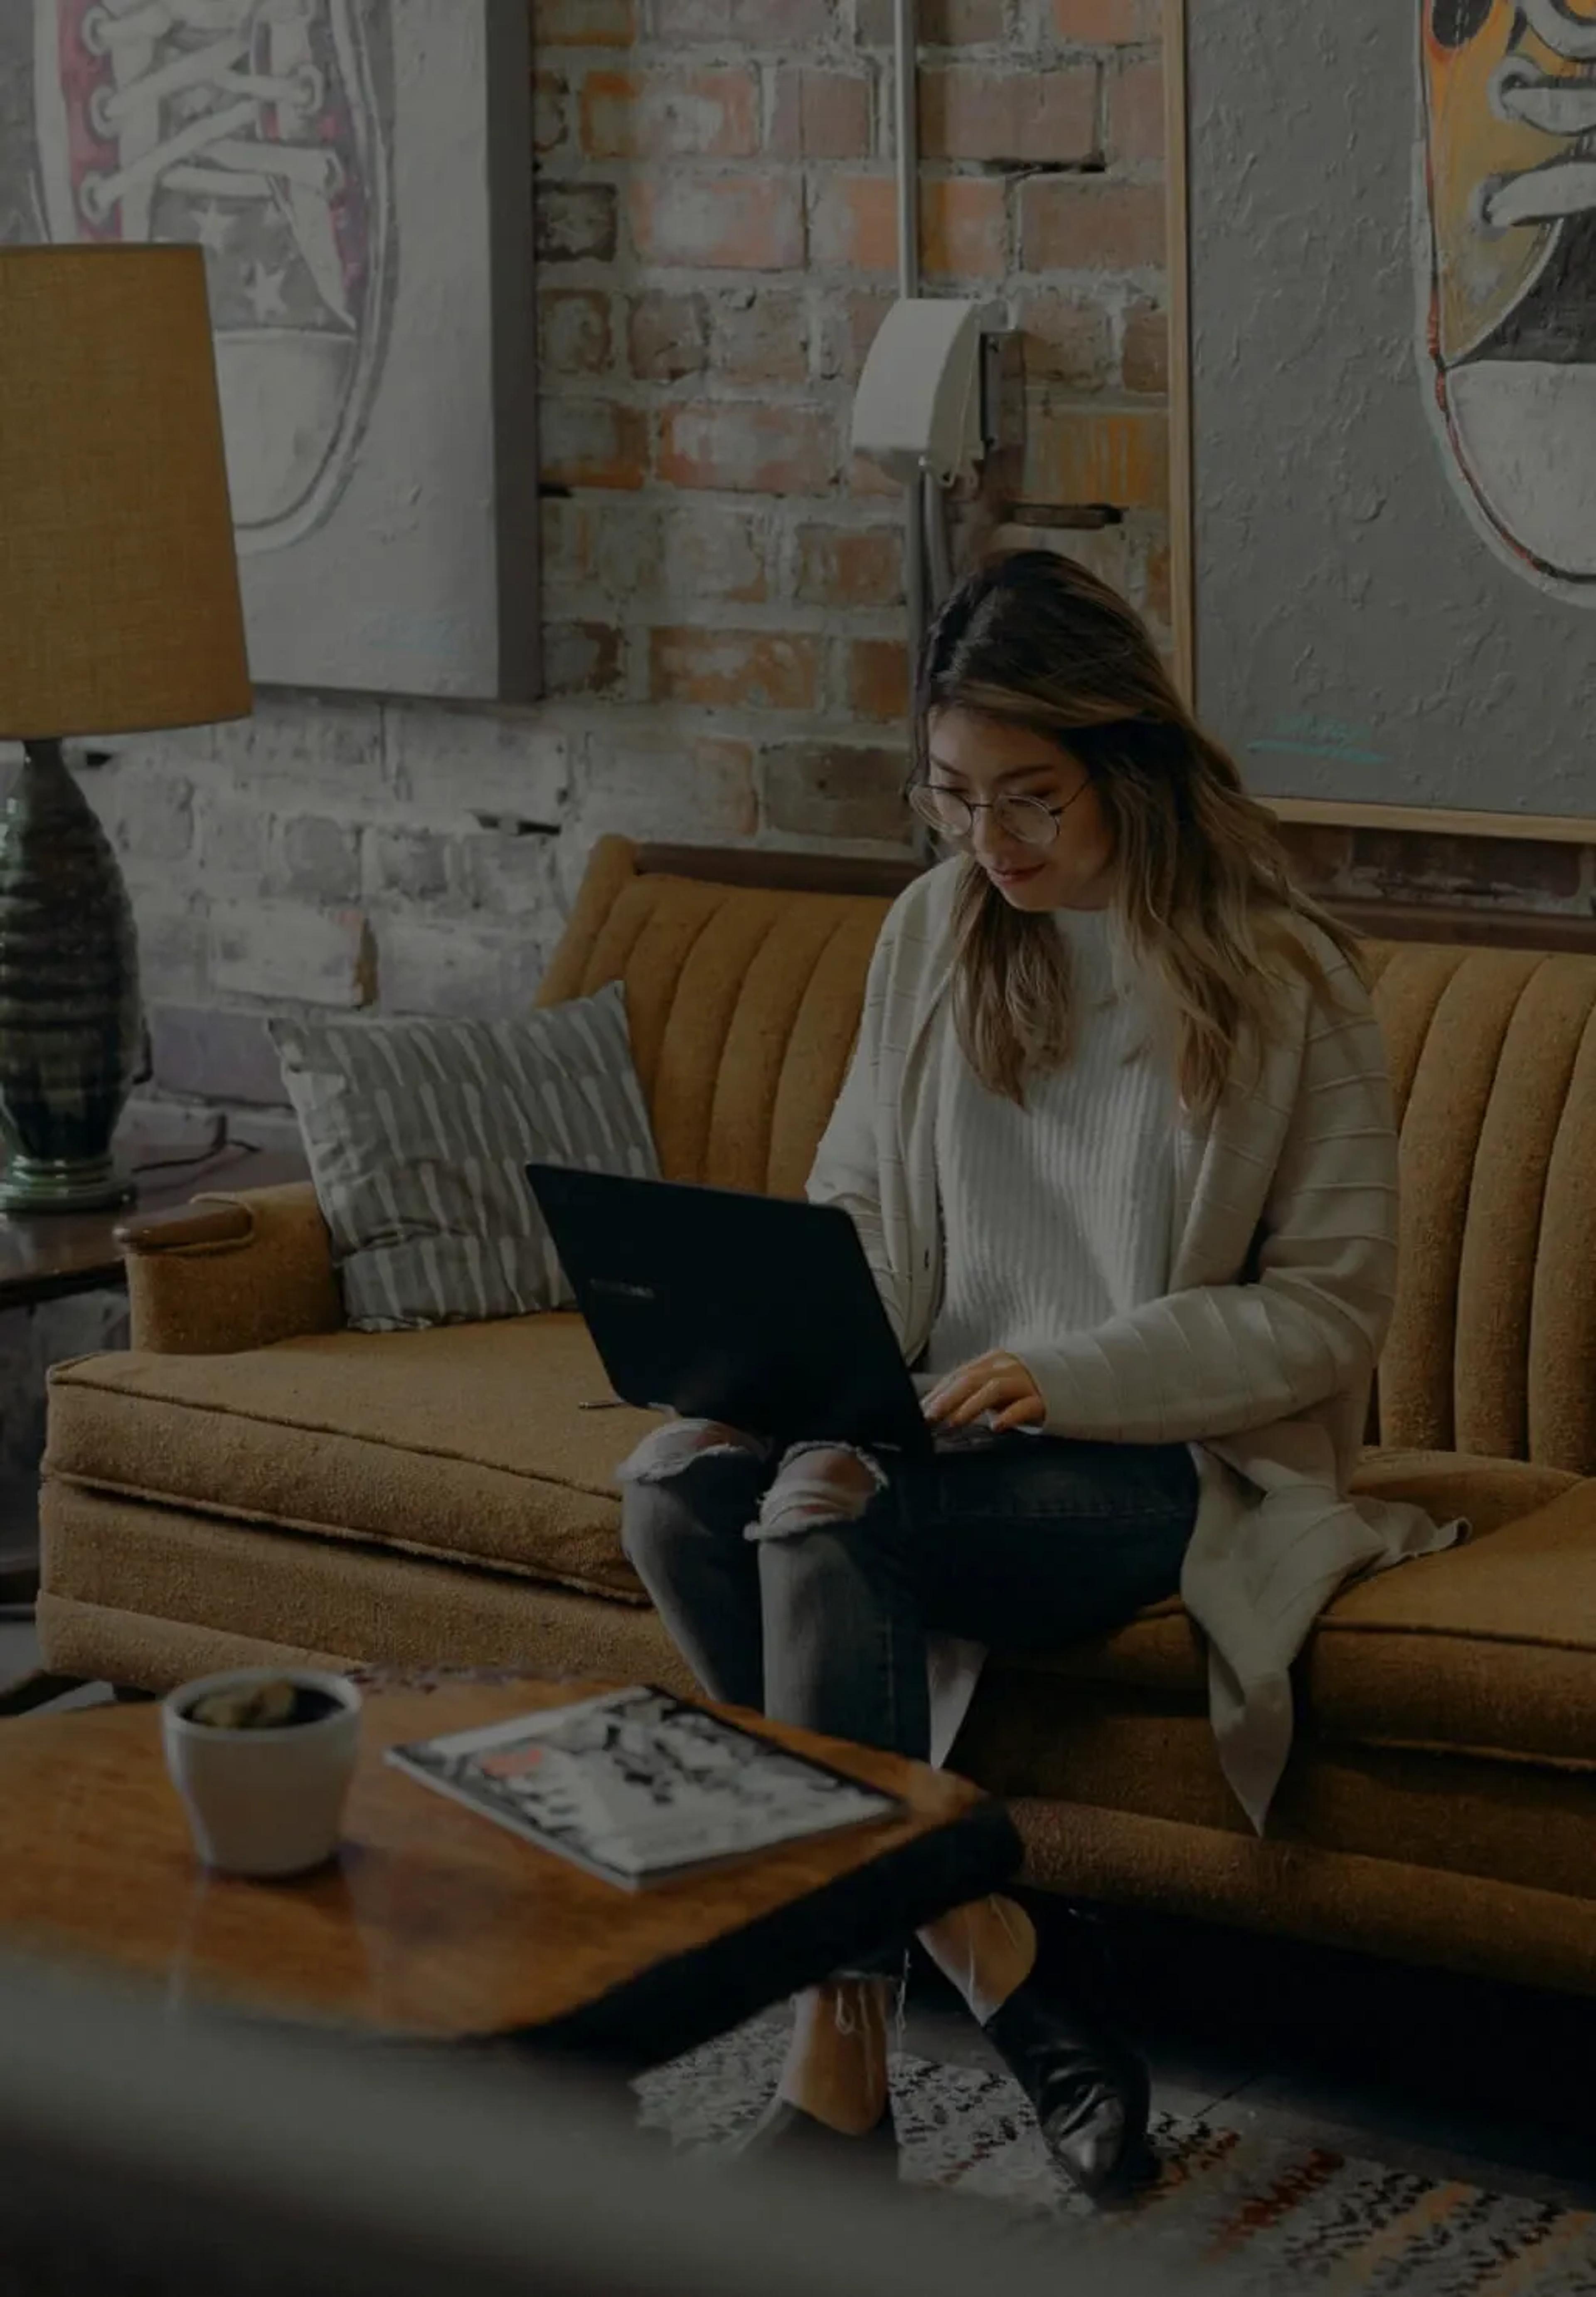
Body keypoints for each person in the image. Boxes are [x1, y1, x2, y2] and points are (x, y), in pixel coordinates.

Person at [615, 550, 1454, 2199]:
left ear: (1128, 758)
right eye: (951, 798)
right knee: (678, 1480)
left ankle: (839, 2070)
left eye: (1030, 800)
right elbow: (857, 1194)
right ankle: (995, 1936)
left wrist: (1061, 1370)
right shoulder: (938, 930)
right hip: (933, 1417)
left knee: (826, 1510)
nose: (986, 844)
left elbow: (1330, 1309)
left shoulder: (1285, 976)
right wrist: (792, 1348)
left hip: (1161, 1456)